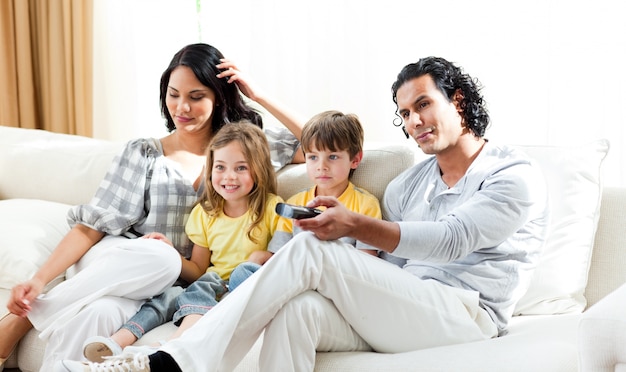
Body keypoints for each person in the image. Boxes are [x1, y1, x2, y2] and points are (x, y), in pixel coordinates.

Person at [55, 56, 550, 372]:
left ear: (457, 100)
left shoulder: (513, 175)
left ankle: (172, 364)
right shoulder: (408, 183)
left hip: (468, 315)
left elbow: (451, 238)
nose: (413, 121)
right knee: (298, 311)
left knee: (312, 247)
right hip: (406, 310)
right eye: (403, 113)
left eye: (423, 104)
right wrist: (348, 256)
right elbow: (386, 270)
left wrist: (353, 226)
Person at [0, 42, 304, 371]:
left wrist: (258, 95)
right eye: (173, 94)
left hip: (162, 287)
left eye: (196, 96)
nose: (181, 107)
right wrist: (39, 281)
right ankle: (22, 321)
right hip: (121, 258)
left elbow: (320, 145)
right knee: (162, 257)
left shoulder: (242, 149)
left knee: (99, 316)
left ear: (219, 97)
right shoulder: (145, 153)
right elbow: (90, 228)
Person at [81, 122, 283, 361]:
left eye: (241, 168)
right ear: (210, 170)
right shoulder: (206, 213)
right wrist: (170, 252)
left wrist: (262, 259)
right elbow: (197, 270)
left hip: (244, 287)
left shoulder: (273, 208)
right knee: (169, 295)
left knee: (215, 283)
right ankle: (116, 343)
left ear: (258, 170)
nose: (229, 176)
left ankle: (173, 344)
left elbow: (282, 257)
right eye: (220, 167)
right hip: (212, 284)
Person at [228, 110, 380, 291]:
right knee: (243, 272)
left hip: (335, 282)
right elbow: (278, 255)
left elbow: (368, 263)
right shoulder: (295, 202)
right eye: (313, 157)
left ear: (355, 160)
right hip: (292, 277)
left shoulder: (365, 205)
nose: (321, 166)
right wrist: (258, 258)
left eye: (332, 157)